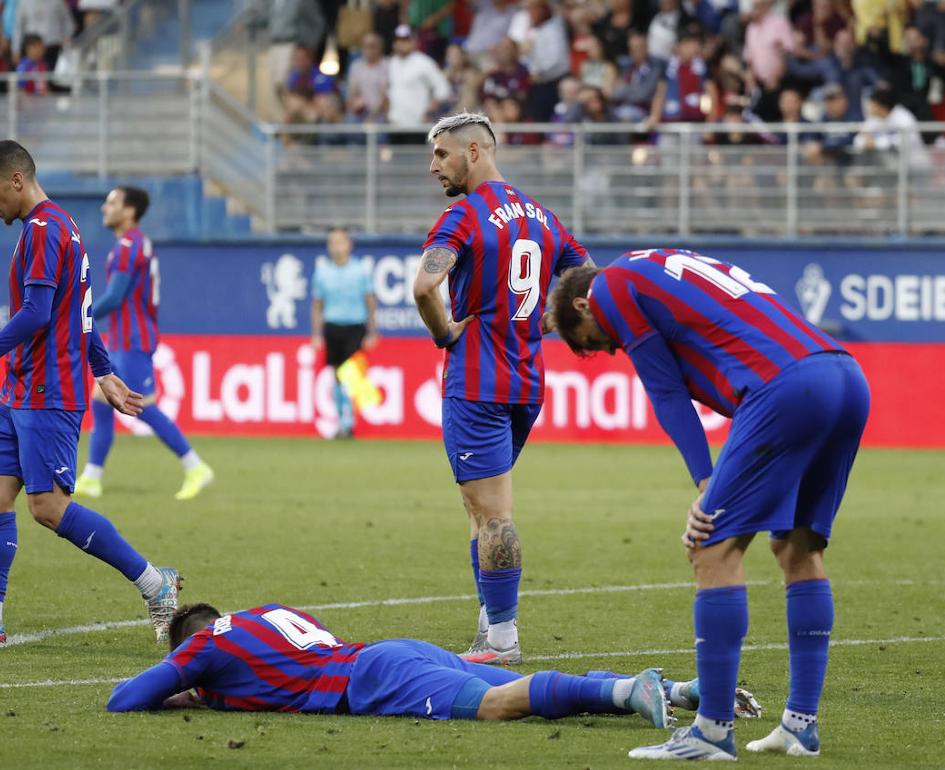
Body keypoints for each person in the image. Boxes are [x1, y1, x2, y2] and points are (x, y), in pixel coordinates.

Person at [548, 250, 870, 760]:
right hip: (844, 376)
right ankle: (799, 726)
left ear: (585, 306)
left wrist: (705, 480)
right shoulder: (654, 264)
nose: (611, 351)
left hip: (784, 384)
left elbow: (666, 391)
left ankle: (712, 731)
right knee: (798, 549)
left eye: (597, 342)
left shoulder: (610, 289)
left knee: (710, 547)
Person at [0, 141, 182, 646]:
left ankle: (156, 583)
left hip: (48, 390)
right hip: (21, 387)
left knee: (48, 508)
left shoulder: (44, 230)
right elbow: (77, 311)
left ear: (16, 180)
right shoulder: (56, 227)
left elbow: (40, 313)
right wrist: (103, 369)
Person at [413, 112, 590, 665]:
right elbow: (587, 280)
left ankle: (503, 642)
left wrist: (445, 333)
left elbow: (423, 287)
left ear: (473, 151)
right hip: (526, 384)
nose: (433, 166)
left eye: (441, 155)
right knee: (481, 509)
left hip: (477, 382)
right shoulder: (540, 215)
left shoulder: (464, 214)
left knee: (492, 516)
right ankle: (489, 625)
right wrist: (542, 322)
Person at [107, 602, 762, 723]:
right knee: (520, 688)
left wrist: (189, 693)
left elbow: (125, 698)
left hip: (375, 681)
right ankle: (676, 690)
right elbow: (284, 665)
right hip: (391, 650)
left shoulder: (204, 645)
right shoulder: (267, 613)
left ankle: (632, 693)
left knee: (499, 706)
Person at [76, 186, 214, 501]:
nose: (104, 208)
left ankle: (195, 466)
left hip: (132, 339)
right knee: (100, 399)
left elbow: (114, 297)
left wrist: (78, 315)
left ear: (129, 211)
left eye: (111, 203)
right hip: (125, 337)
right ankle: (92, 476)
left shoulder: (127, 246)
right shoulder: (135, 244)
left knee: (142, 407)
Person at [310, 227, 379, 439]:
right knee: (337, 376)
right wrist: (316, 334)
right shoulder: (322, 272)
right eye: (332, 242)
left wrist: (372, 331)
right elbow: (318, 305)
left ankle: (349, 422)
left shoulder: (360, 271)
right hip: (333, 326)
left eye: (340, 242)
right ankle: (343, 422)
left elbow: (370, 301)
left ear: (349, 244)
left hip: (355, 326)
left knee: (349, 374)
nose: (336, 247)